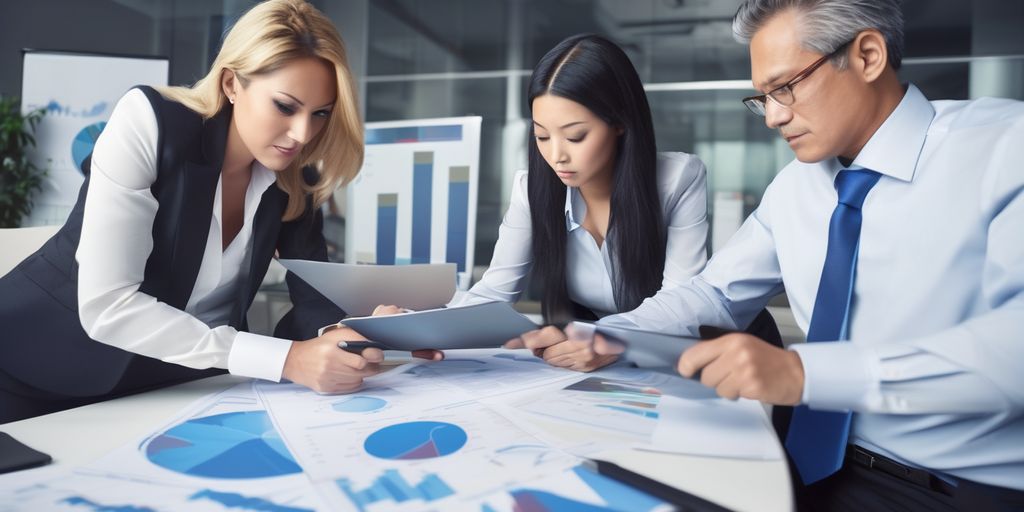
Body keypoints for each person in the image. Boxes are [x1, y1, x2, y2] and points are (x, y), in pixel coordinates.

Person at [578, 1, 1024, 510]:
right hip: (806, 466)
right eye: (763, 97)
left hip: (959, 489)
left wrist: (802, 373)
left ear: (868, 55)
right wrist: (604, 334)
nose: (773, 116)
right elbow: (715, 294)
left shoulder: (1005, 146)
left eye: (786, 87)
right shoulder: (794, 186)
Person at [0, 0, 436, 425]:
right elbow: (108, 306)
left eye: (319, 114)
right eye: (285, 106)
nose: (302, 134)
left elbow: (314, 300)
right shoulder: (150, 123)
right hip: (30, 368)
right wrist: (288, 359)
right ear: (231, 84)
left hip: (165, 389)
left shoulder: (291, 178)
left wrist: (357, 338)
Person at [447, 34, 710, 372]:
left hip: (684, 358)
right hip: (602, 365)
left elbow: (683, 302)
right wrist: (410, 325)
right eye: (542, 136)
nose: (556, 155)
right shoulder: (532, 189)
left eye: (575, 136)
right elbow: (491, 296)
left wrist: (612, 339)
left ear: (619, 123)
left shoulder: (677, 179)